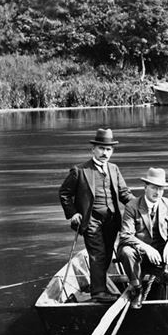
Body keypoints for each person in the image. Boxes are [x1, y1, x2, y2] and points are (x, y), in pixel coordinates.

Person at [59, 128, 134, 303]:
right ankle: (98, 293)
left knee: (107, 253)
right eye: (101, 148)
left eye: (108, 149)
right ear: (93, 150)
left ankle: (99, 286)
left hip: (112, 220)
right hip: (90, 219)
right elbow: (64, 193)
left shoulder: (114, 169)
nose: (104, 153)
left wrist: (140, 206)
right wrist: (73, 214)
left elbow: (124, 193)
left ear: (112, 151)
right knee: (97, 254)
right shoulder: (80, 171)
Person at [118, 167, 168, 306]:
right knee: (125, 251)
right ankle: (137, 289)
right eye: (154, 188)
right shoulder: (132, 206)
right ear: (145, 187)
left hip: (162, 255)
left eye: (161, 189)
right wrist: (146, 248)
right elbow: (125, 235)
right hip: (140, 255)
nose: (157, 192)